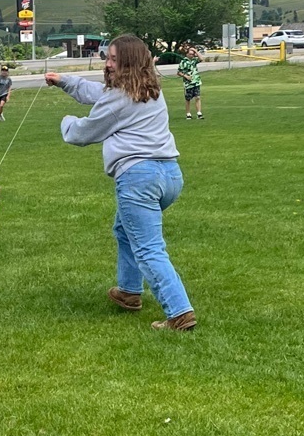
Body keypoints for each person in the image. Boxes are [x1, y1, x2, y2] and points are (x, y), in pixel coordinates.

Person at [44, 34, 196, 332]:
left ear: (128, 63)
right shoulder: (150, 89)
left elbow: (81, 133)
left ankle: (179, 312)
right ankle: (128, 292)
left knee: (148, 248)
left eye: (114, 59)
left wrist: (65, 121)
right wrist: (64, 81)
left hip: (139, 179)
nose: (108, 64)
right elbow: (98, 92)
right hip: (169, 176)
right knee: (124, 231)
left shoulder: (118, 100)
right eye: (108, 58)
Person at [177, 45, 204, 120]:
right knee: (188, 99)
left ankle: (199, 113)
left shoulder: (194, 60)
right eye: (191, 54)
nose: (192, 55)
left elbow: (201, 59)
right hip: (188, 83)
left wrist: (195, 51)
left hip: (196, 81)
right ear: (187, 54)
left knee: (198, 97)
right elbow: (178, 72)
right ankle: (188, 113)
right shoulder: (183, 62)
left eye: (193, 54)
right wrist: (185, 76)